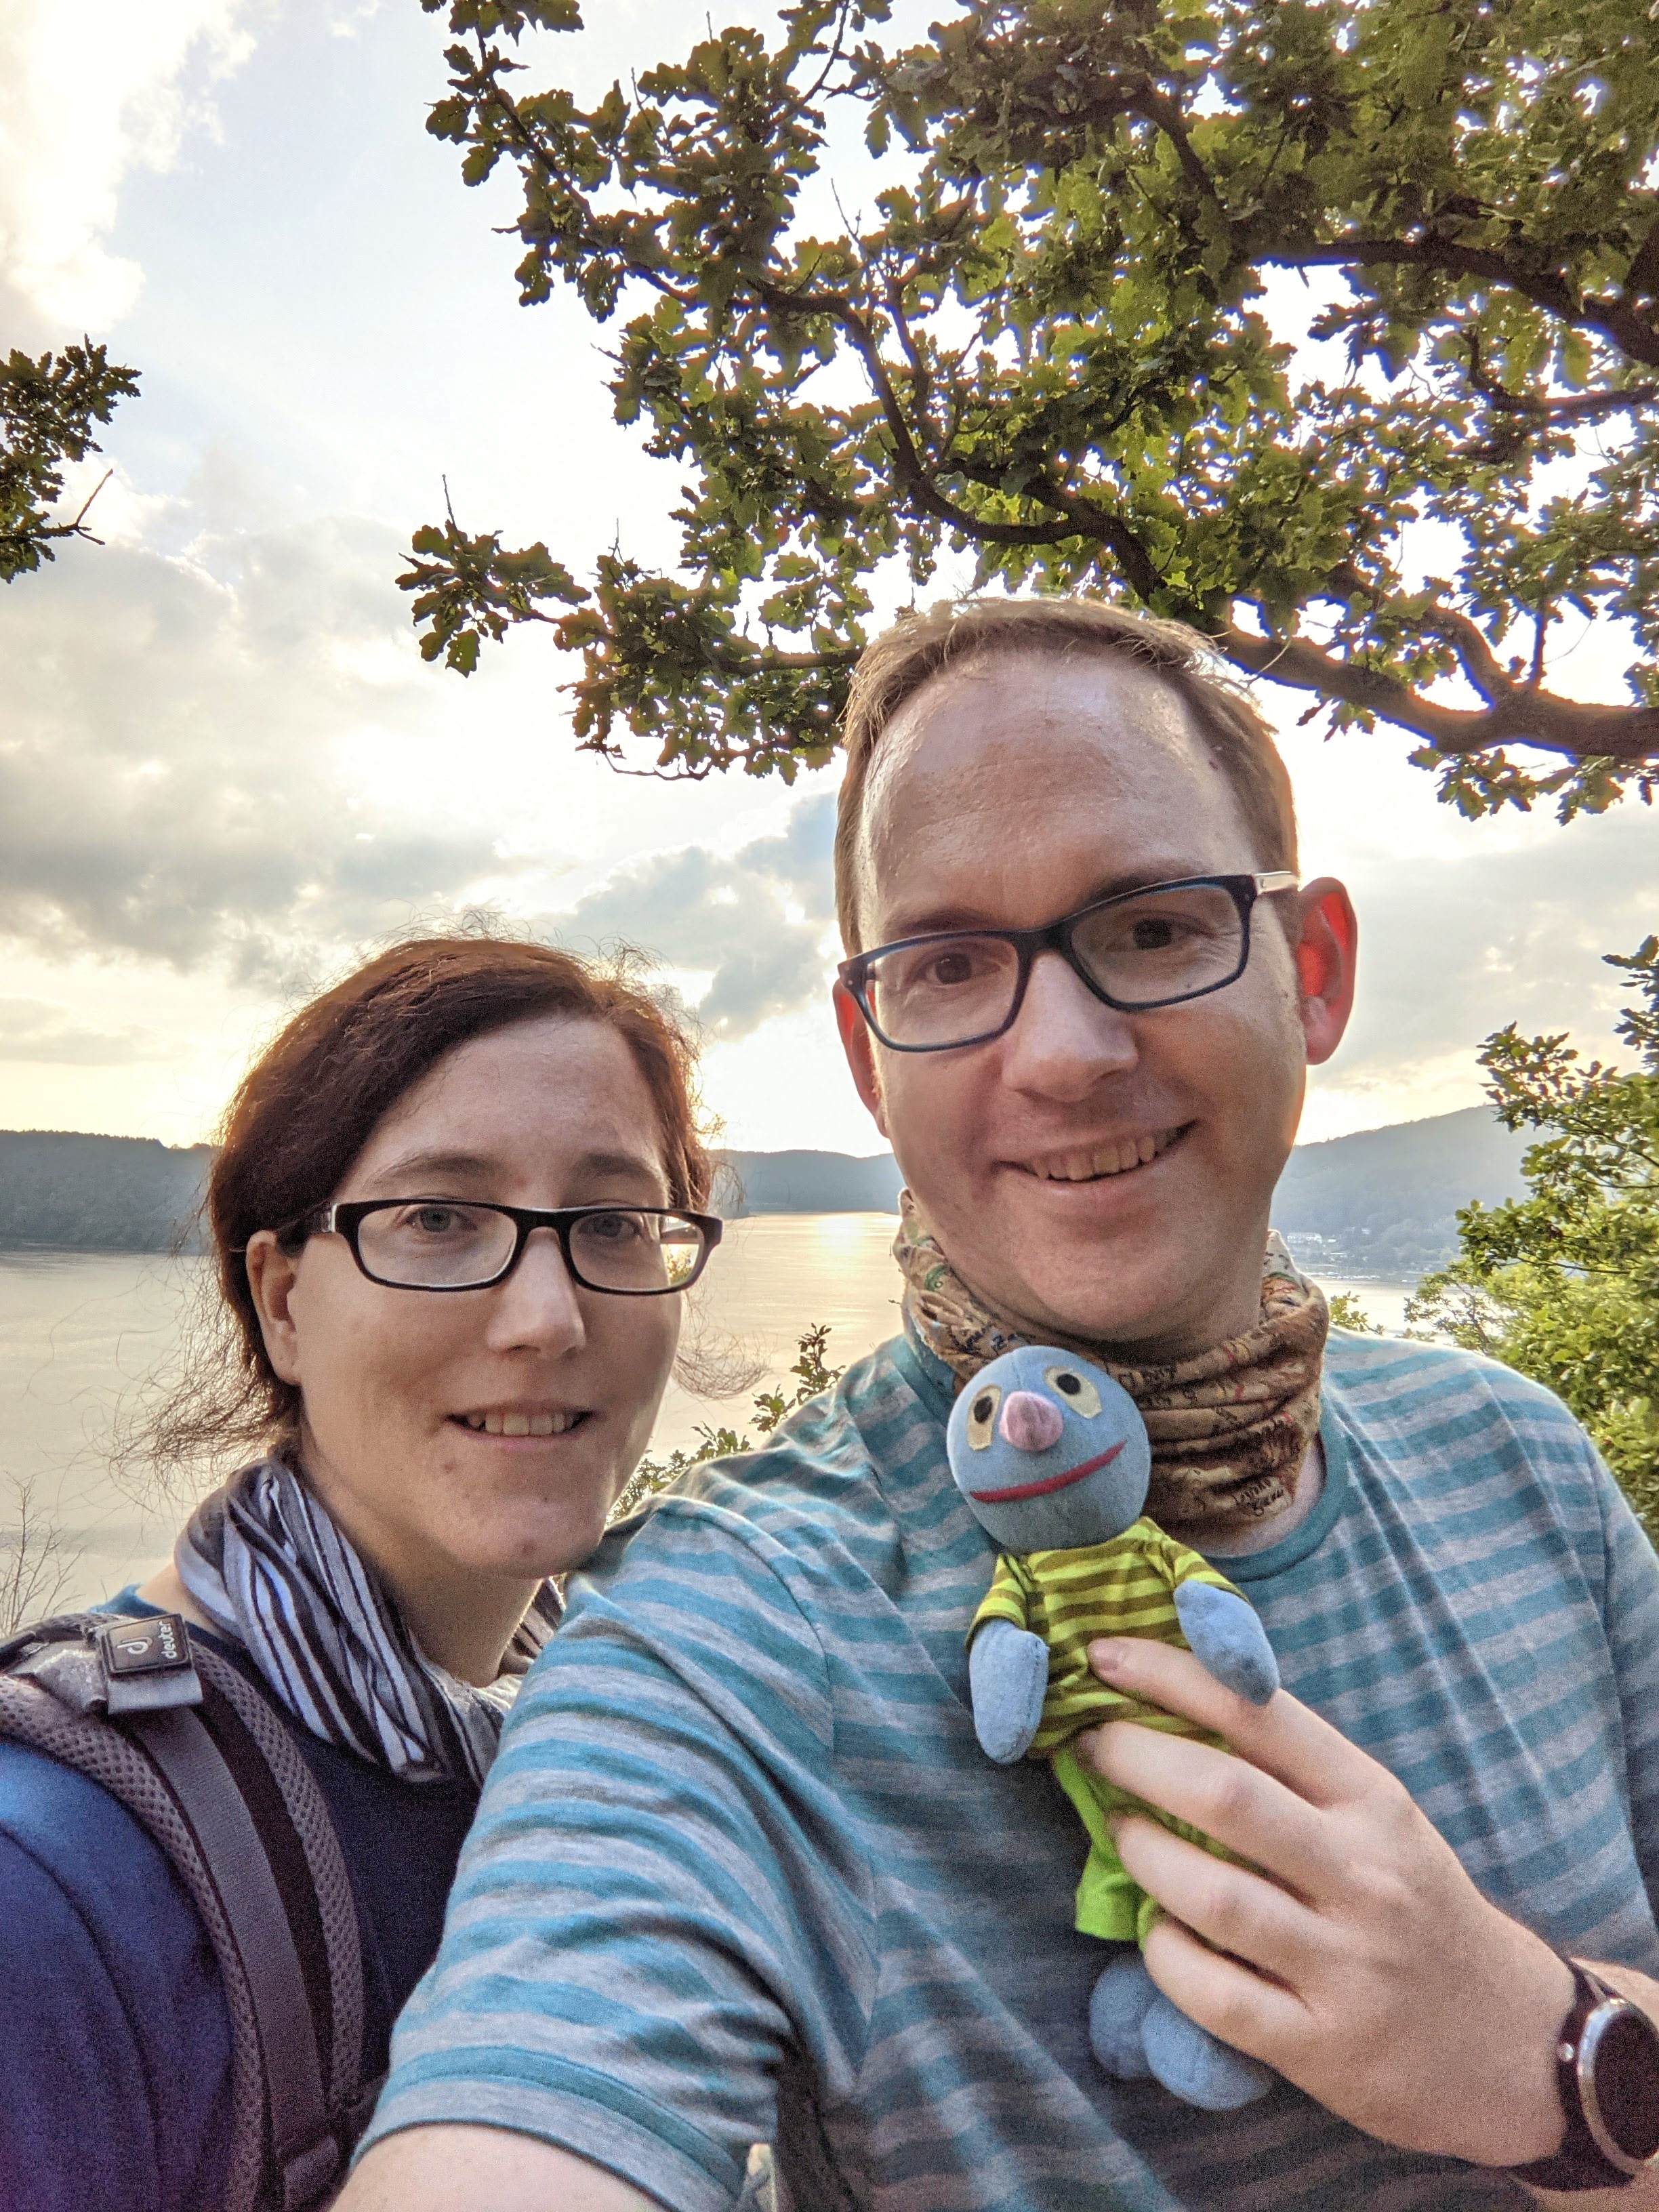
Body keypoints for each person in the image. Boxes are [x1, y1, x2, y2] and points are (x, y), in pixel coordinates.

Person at [340, 602, 1659, 2211]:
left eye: (1154, 927)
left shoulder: (1519, 1463)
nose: (1066, 1053)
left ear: (1311, 973)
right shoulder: (731, 1632)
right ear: (869, 1055)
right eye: (950, 965)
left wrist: (1545, 2049)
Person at [0, 936, 724, 2212]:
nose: (548, 1318)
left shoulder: (621, 1744)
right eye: (438, 1219)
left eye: (613, 1224)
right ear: (282, 1302)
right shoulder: (55, 1890)